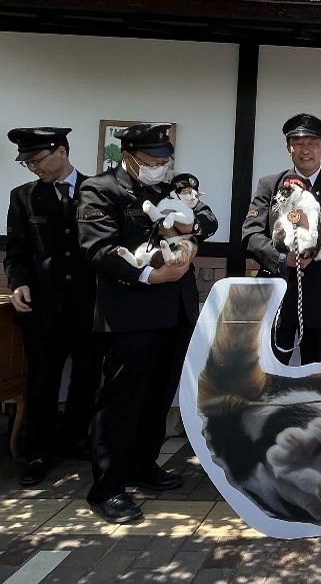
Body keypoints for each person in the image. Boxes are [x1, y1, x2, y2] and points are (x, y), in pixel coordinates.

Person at [77, 123, 217, 524]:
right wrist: (146, 275)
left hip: (175, 311)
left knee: (159, 394)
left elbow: (207, 219)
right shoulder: (100, 190)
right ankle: (108, 488)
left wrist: (191, 227)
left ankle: (143, 464)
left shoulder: (170, 188)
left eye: (165, 161)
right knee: (121, 400)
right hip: (130, 313)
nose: (160, 168)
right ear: (130, 156)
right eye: (153, 162)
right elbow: (97, 248)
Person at [4, 127, 101, 487]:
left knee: (88, 376)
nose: (33, 168)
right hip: (43, 309)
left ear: (61, 151)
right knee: (42, 380)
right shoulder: (24, 197)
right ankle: (39, 452)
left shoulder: (98, 190)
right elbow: (16, 252)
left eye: (37, 160)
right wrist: (19, 283)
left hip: (91, 306)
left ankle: (74, 438)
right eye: (27, 162)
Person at [241, 113, 321, 365]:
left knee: (319, 374)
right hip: (277, 293)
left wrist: (317, 237)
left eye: (312, 143)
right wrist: (283, 258)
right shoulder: (271, 185)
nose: (306, 150)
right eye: (298, 143)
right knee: (269, 368)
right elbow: (250, 234)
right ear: (288, 148)